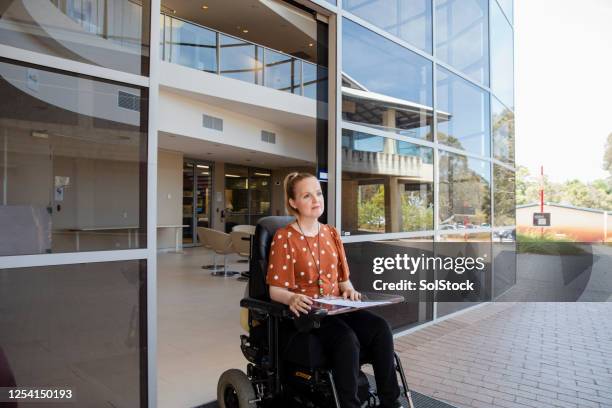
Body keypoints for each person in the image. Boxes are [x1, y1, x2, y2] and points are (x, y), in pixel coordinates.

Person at [266, 172, 402, 408]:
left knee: (381, 329)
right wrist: (292, 297)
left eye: (318, 193)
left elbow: (344, 282)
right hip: (310, 312)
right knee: (346, 340)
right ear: (293, 202)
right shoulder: (284, 237)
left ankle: (390, 403)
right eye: (306, 195)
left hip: (339, 307)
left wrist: (350, 291)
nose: (316, 199)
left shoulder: (331, 233)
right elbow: (275, 290)